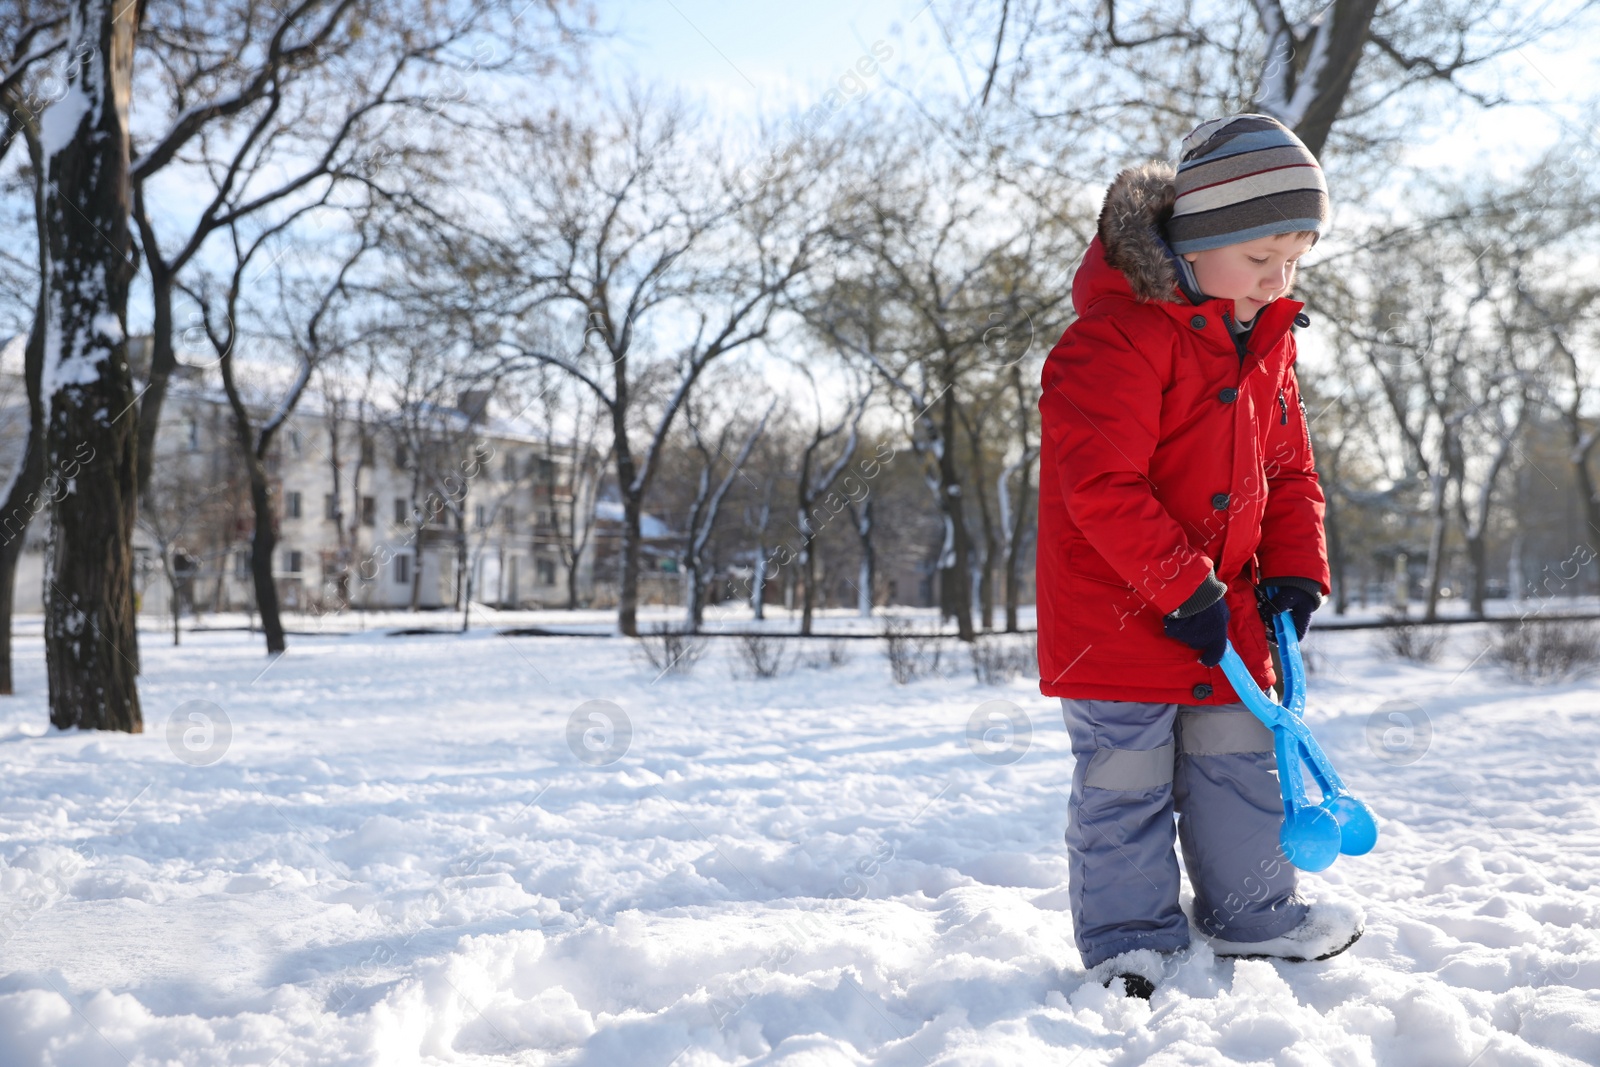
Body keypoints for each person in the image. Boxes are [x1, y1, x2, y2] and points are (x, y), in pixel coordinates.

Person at [1036, 114, 1363, 1000]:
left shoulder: (1270, 342)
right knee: (1126, 784)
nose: (1279, 279)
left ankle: (1252, 914)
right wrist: (1184, 586)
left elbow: (1290, 468)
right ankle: (1131, 941)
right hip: (1118, 618)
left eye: (1294, 260)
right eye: (1262, 259)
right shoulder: (1114, 341)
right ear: (1200, 238)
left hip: (1228, 613)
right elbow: (1098, 483)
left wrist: (1297, 568)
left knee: (1237, 760)